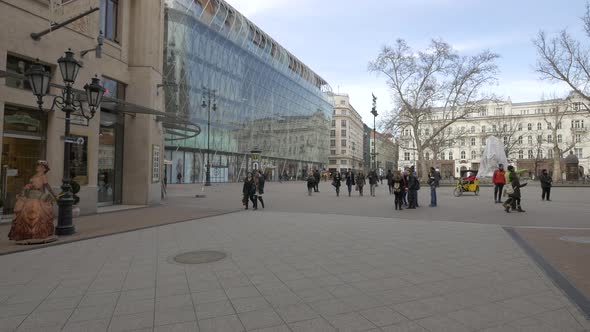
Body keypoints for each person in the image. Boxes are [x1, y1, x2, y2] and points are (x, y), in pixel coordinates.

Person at [8, 161, 57, 242]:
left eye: (39, 166)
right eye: (37, 166)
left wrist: (54, 195)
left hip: (38, 196)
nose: (37, 167)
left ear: (43, 169)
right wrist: (27, 187)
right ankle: (26, 233)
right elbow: (30, 184)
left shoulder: (43, 176)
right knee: (24, 213)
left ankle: (38, 233)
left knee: (38, 214)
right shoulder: (34, 175)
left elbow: (47, 186)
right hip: (30, 195)